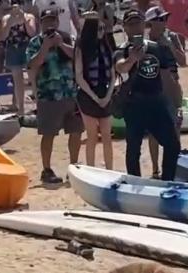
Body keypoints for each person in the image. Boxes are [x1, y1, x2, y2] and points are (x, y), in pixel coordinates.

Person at [115, 9, 180, 180]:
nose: (135, 27)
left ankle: (168, 181)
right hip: (134, 104)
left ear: (144, 25)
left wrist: (176, 105)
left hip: (157, 103)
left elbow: (167, 79)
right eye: (131, 24)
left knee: (173, 145)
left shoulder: (156, 48)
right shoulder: (123, 50)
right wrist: (133, 59)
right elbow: (120, 67)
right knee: (133, 149)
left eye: (138, 23)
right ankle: (134, 182)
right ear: (125, 28)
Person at [27, 8, 82, 185]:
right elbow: (32, 64)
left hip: (70, 93)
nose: (50, 24)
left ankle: (74, 167)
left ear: (57, 22)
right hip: (48, 96)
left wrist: (61, 45)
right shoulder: (35, 42)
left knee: (76, 131)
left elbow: (78, 56)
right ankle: (47, 169)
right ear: (41, 23)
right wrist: (45, 48)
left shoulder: (66, 38)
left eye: (53, 20)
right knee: (49, 134)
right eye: (46, 21)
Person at [145, 6, 184, 174]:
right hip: (153, 88)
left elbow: (183, 61)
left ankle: (173, 167)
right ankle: (155, 169)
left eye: (164, 19)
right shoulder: (145, 43)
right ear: (150, 24)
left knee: (175, 127)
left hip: (173, 86)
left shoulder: (172, 37)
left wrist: (170, 46)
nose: (163, 23)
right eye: (159, 20)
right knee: (153, 130)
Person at [75, 11, 115, 169]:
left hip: (105, 92)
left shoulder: (106, 46)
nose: (102, 32)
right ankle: (91, 168)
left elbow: (112, 74)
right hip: (87, 95)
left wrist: (108, 95)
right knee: (92, 135)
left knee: (107, 135)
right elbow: (79, 76)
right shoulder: (81, 48)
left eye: (103, 28)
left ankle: (110, 169)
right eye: (99, 29)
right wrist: (94, 97)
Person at [3, 0, 36, 114]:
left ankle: (39, 107)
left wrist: (24, 19)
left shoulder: (29, 17)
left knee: (32, 78)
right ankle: (21, 108)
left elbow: (32, 33)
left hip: (27, 48)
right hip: (13, 48)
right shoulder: (7, 18)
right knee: (17, 80)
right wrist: (10, 22)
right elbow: (3, 35)